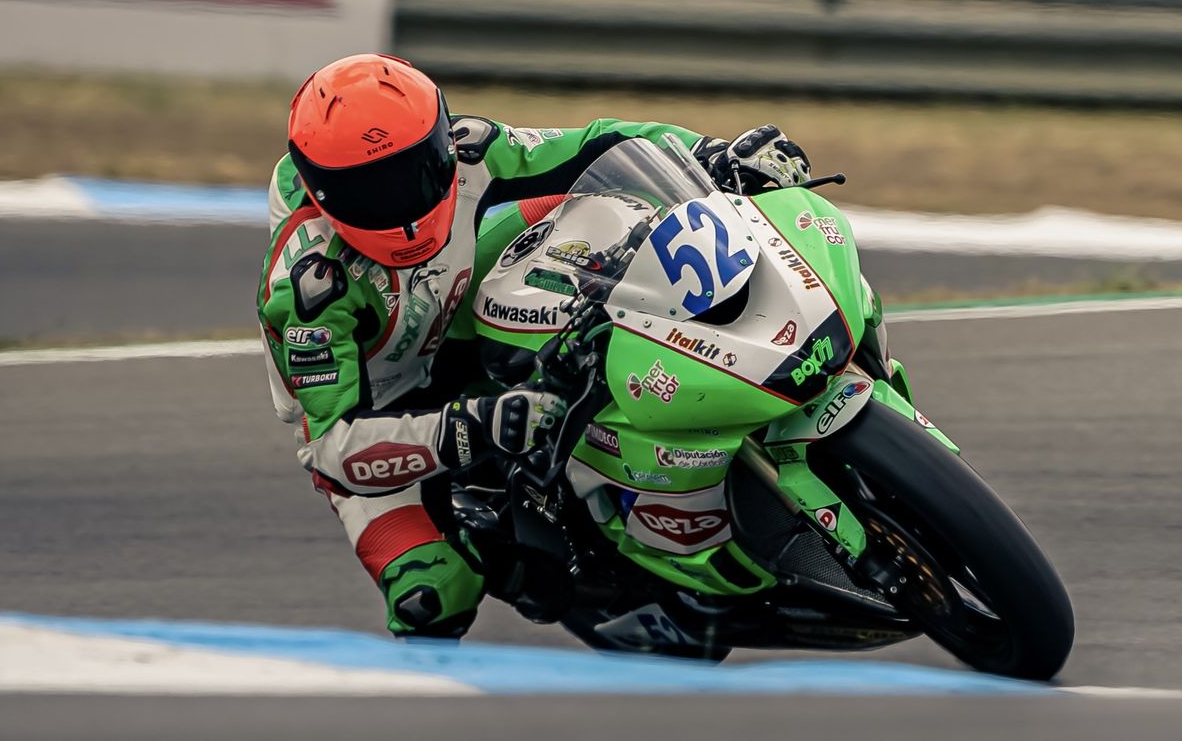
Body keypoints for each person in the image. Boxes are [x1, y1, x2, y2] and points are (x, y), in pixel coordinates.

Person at [257, 53, 812, 638]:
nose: (406, 204)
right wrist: (471, 427)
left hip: (455, 301)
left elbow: (598, 146)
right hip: (390, 410)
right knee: (433, 598)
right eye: (372, 192)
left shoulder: (470, 150)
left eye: (418, 170)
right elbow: (333, 449)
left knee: (608, 208)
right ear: (324, 192)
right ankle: (516, 551)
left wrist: (713, 154)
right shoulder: (308, 292)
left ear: (441, 140)